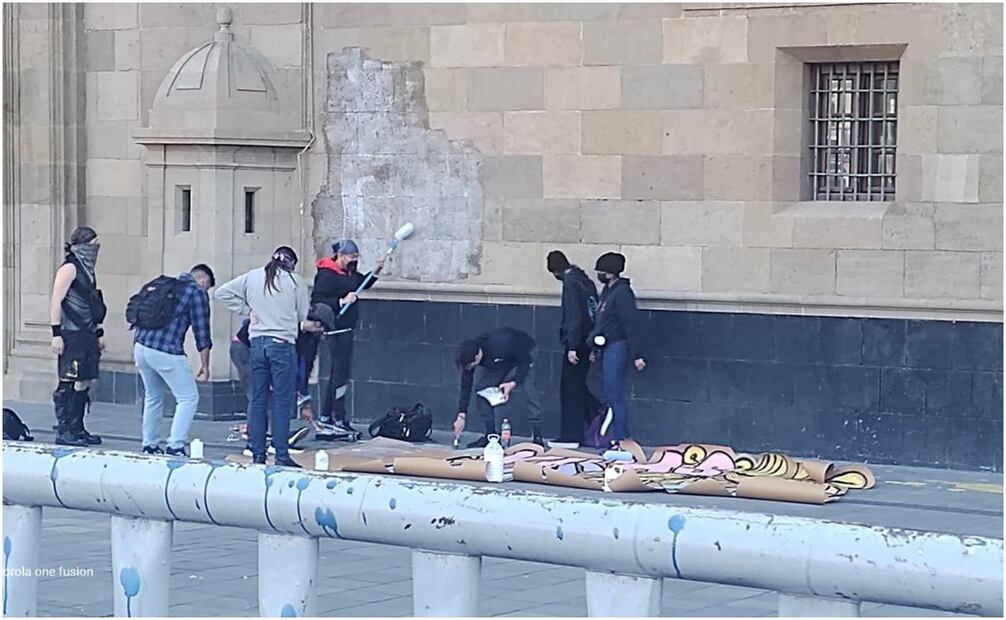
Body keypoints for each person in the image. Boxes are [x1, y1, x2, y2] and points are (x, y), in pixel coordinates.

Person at [215, 246, 320, 467]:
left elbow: (221, 293)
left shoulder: (252, 276)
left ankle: (258, 454)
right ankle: (281, 455)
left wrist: (247, 311)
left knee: (259, 399)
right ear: (292, 263)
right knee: (282, 401)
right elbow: (302, 315)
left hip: (257, 345)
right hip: (282, 345)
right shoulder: (295, 281)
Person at [133, 264, 216, 456]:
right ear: (203, 280)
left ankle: (150, 445)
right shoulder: (196, 292)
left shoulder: (163, 284)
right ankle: (175, 446)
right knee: (188, 398)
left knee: (153, 396)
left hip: (141, 346)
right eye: (208, 287)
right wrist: (205, 365)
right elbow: (201, 331)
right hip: (166, 350)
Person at [308, 239, 385, 440]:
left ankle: (337, 417)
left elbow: (362, 283)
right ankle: (328, 417)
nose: (354, 261)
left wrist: (376, 270)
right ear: (341, 255)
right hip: (335, 330)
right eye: (351, 257)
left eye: (356, 258)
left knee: (341, 375)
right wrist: (341, 301)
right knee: (337, 374)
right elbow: (317, 301)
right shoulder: (327, 275)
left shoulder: (348, 273)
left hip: (347, 329)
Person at [49, 226, 107, 446]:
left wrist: (98, 332)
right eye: (92, 243)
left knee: (84, 379)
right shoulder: (70, 268)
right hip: (71, 333)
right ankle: (65, 430)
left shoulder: (88, 269)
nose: (95, 248)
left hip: (87, 332)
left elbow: (93, 303)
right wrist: (56, 334)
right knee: (69, 378)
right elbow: (56, 300)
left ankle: (77, 427)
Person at [589, 252, 646, 449]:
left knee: (615, 393)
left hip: (616, 346)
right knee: (609, 391)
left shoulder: (621, 294)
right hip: (606, 346)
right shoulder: (608, 292)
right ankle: (617, 435)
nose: (599, 274)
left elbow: (630, 324)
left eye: (602, 271)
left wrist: (636, 354)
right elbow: (601, 322)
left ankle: (621, 437)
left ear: (611, 272)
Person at [452, 327, 544, 448]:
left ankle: (537, 437)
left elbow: (524, 362)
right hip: (501, 361)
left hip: (525, 352)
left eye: (471, 365)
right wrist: (461, 415)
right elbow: (466, 386)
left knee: (529, 389)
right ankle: (491, 436)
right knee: (481, 390)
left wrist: (513, 383)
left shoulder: (500, 343)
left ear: (477, 357)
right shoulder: (469, 354)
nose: (470, 368)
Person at [229, 319, 309, 454]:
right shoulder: (288, 321)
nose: (320, 330)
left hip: (261, 348)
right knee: (257, 394)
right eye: (318, 326)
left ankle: (275, 439)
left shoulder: (302, 333)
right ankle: (253, 442)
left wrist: (304, 397)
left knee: (269, 395)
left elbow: (300, 364)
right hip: (247, 348)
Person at [546, 250, 599, 448]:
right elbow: (592, 313)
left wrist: (572, 346)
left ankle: (570, 435)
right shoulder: (586, 281)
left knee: (569, 389)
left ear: (555, 271)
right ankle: (594, 414)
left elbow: (574, 316)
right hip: (589, 341)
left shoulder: (570, 283)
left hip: (577, 343)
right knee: (578, 386)